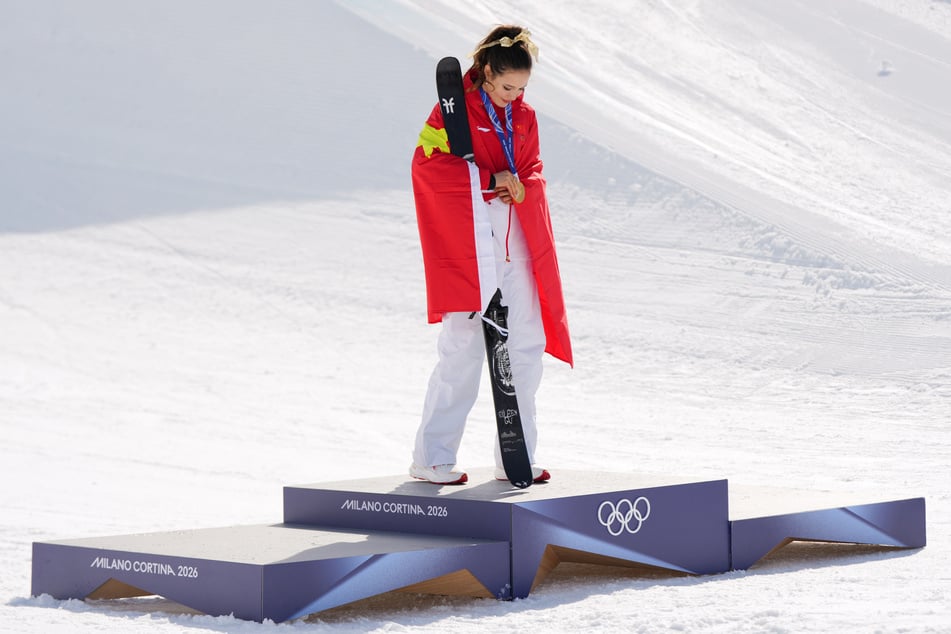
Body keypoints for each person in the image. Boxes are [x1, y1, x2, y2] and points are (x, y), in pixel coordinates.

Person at [409, 25, 573, 485]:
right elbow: (427, 163)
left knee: (525, 344)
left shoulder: (524, 116)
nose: (513, 96)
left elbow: (534, 167)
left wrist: (524, 183)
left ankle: (515, 454)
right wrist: (490, 179)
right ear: (484, 73)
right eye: (506, 87)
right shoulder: (452, 112)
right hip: (470, 240)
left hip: (516, 239)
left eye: (521, 88)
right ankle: (432, 456)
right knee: (462, 347)